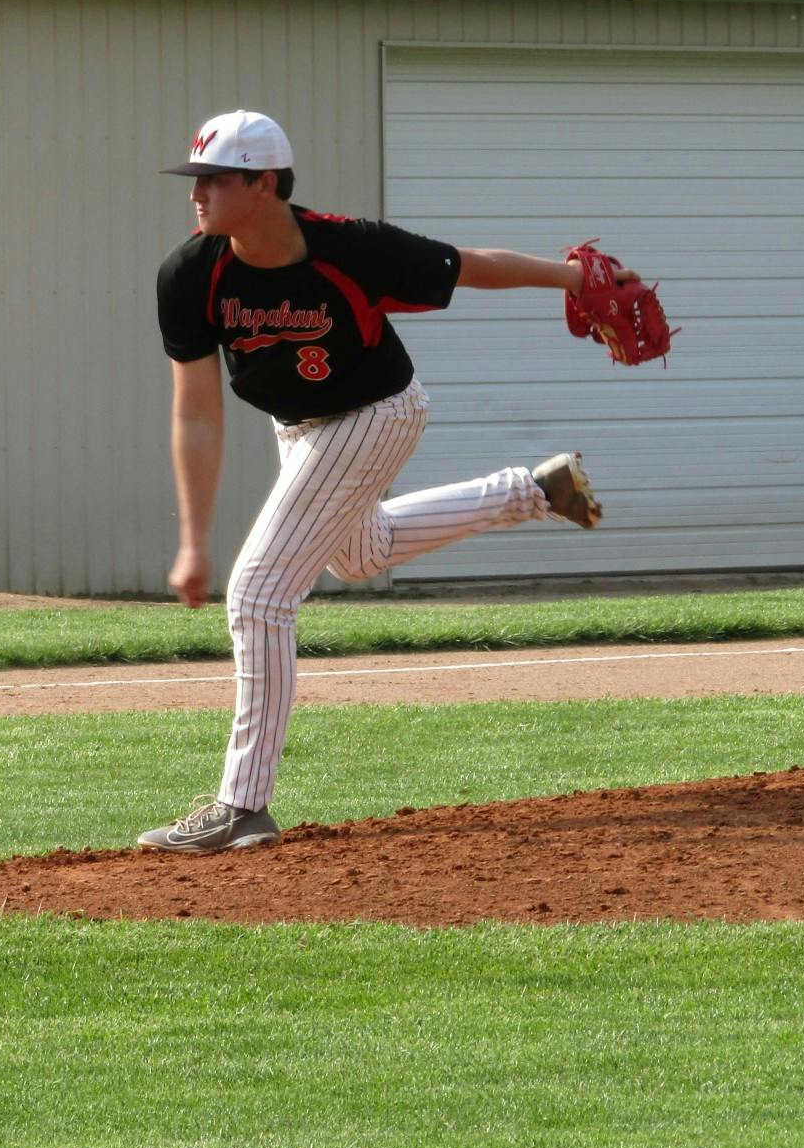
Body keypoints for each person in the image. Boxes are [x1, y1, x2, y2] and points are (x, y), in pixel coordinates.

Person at [141, 110, 637, 852]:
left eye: (214, 178)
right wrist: (191, 537)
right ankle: (535, 491)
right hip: (297, 426)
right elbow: (197, 414)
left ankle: (243, 806)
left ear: (264, 183)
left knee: (258, 592)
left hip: (375, 412)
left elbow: (469, 264)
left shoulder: (351, 248)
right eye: (196, 178)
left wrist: (571, 276)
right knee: (358, 556)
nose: (197, 193)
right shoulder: (190, 274)